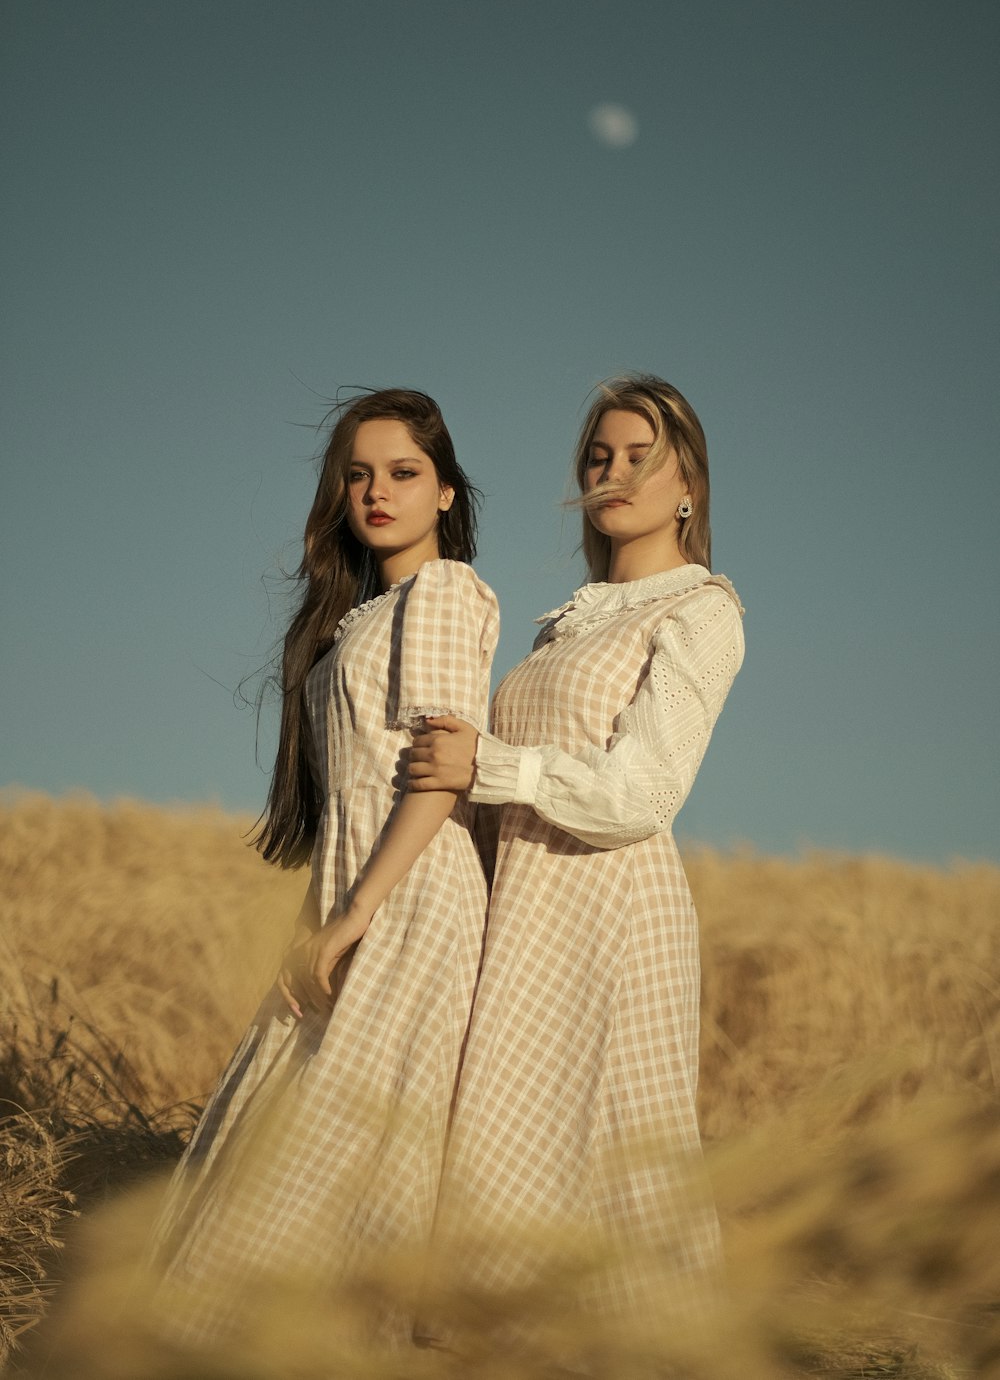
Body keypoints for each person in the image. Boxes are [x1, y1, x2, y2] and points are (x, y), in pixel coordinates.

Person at [151, 389, 499, 1347]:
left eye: (403, 473)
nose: (377, 492)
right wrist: (328, 914)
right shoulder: (358, 618)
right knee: (282, 1153)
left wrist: (356, 916)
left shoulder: (444, 593)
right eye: (358, 475)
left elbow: (438, 776)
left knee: (327, 1158)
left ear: (445, 494)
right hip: (352, 899)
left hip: (409, 905)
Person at [406, 373, 745, 1332]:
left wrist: (491, 764)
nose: (613, 473)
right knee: (506, 1148)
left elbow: (644, 792)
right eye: (599, 457)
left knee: (614, 1168)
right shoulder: (568, 619)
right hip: (525, 906)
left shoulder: (700, 611)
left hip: (610, 912)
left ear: (689, 486)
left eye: (641, 457)